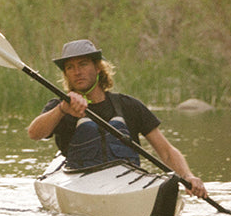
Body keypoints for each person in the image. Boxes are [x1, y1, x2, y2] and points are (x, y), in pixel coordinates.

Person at [26, 38, 208, 198]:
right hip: (80, 181)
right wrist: (62, 109)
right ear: (66, 74)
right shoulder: (59, 107)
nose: (77, 72)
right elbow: (34, 133)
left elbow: (166, 151)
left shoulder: (129, 106)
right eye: (70, 67)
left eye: (83, 64)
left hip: (127, 182)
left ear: (98, 68)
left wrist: (187, 176)